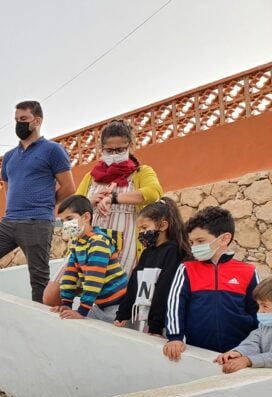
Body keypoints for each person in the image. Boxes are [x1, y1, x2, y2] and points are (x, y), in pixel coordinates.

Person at [0, 101, 75, 301]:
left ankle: (40, 323)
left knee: (38, 278)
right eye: (17, 120)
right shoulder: (9, 156)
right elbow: (8, 189)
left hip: (37, 222)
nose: (19, 124)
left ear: (37, 121)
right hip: (9, 222)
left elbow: (69, 187)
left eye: (24, 119)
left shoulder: (53, 150)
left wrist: (45, 205)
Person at [164, 206, 259, 362]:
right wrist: (175, 337)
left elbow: (259, 311)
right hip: (197, 352)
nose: (194, 246)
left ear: (224, 239)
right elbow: (175, 304)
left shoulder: (248, 271)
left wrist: (252, 348)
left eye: (200, 241)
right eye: (192, 241)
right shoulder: (186, 269)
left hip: (237, 353)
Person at [75, 120, 163, 276]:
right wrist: (90, 201)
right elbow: (73, 207)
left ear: (130, 146)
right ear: (101, 149)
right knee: (58, 291)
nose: (114, 154)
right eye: (109, 150)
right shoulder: (91, 177)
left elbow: (153, 192)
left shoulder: (141, 172)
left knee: (115, 292)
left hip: (125, 245)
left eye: (120, 149)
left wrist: (114, 198)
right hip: (90, 244)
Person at [113, 198, 190, 335]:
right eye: (140, 229)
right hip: (143, 320)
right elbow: (134, 284)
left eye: (145, 228)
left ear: (163, 225)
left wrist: (156, 326)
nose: (141, 233)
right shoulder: (147, 253)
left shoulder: (174, 252)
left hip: (162, 326)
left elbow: (165, 289)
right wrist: (122, 314)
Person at [51, 196, 128, 321]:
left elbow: (94, 279)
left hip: (117, 305)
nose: (66, 224)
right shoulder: (78, 243)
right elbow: (70, 275)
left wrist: (82, 311)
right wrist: (66, 305)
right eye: (63, 221)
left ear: (86, 217)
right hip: (100, 305)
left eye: (69, 219)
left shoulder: (98, 242)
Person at [214, 276, 272, 373]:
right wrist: (238, 352)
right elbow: (253, 342)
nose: (260, 311)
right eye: (259, 306)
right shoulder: (264, 325)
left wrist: (248, 360)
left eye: (265, 306)